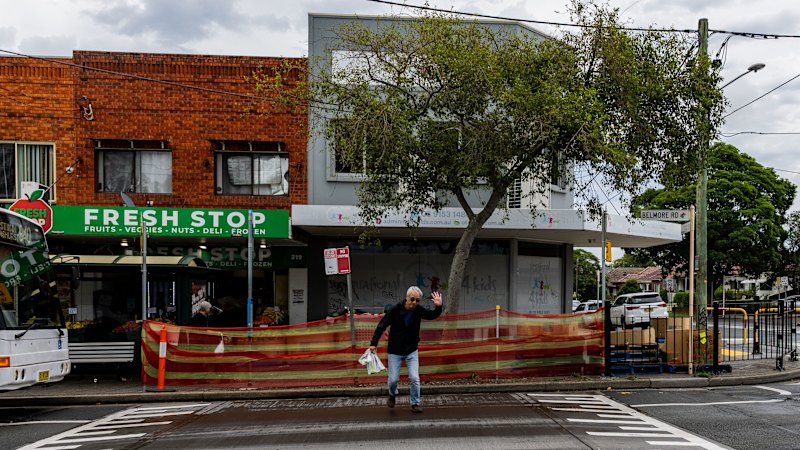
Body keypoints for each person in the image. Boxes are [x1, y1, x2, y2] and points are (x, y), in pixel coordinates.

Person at [369, 286, 443, 413]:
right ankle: (392, 395)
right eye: (412, 299)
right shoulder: (395, 310)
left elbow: (431, 315)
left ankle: (415, 403)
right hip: (395, 351)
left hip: (411, 350)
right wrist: (373, 343)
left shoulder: (418, 310)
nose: (414, 303)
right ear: (406, 298)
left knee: (414, 378)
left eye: (417, 300)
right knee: (393, 380)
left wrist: (439, 306)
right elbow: (381, 325)